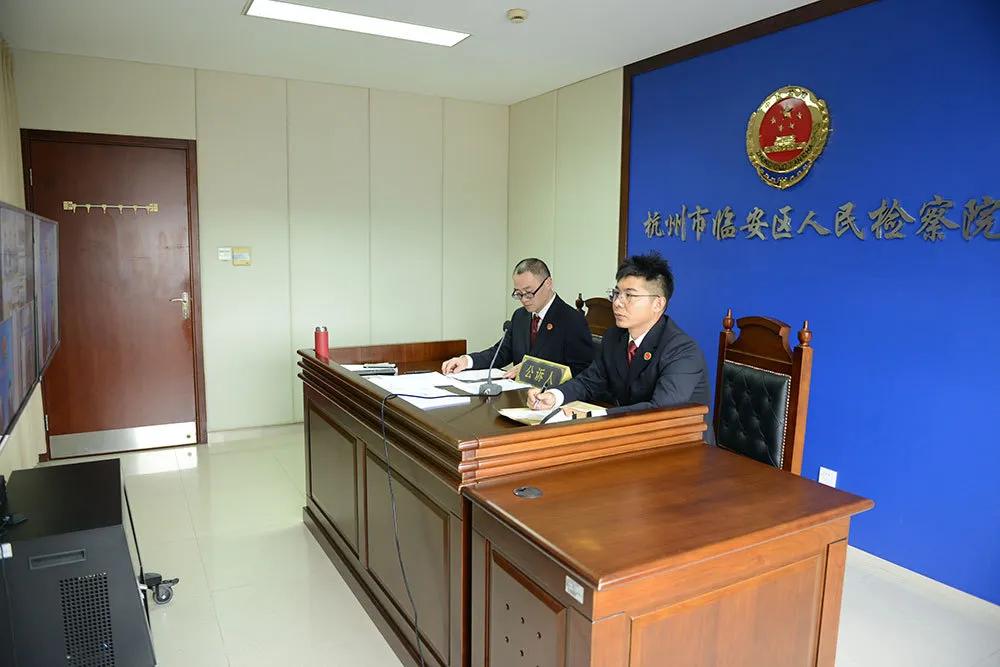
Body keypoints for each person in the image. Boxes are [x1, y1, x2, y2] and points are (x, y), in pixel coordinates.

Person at [527, 251, 715, 443]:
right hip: (630, 437)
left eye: (630, 296)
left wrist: (592, 415)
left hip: (683, 445)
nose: (617, 303)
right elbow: (590, 381)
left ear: (658, 303)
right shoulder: (614, 338)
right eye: (616, 293)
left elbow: (659, 410)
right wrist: (554, 395)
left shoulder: (682, 350)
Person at [441, 258, 593, 378]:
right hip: (518, 397)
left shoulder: (572, 320)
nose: (524, 299)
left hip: (552, 402)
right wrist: (466, 361)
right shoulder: (520, 316)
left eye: (528, 292)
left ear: (548, 283)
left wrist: (534, 370)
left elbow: (582, 371)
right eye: (518, 293)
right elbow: (501, 353)